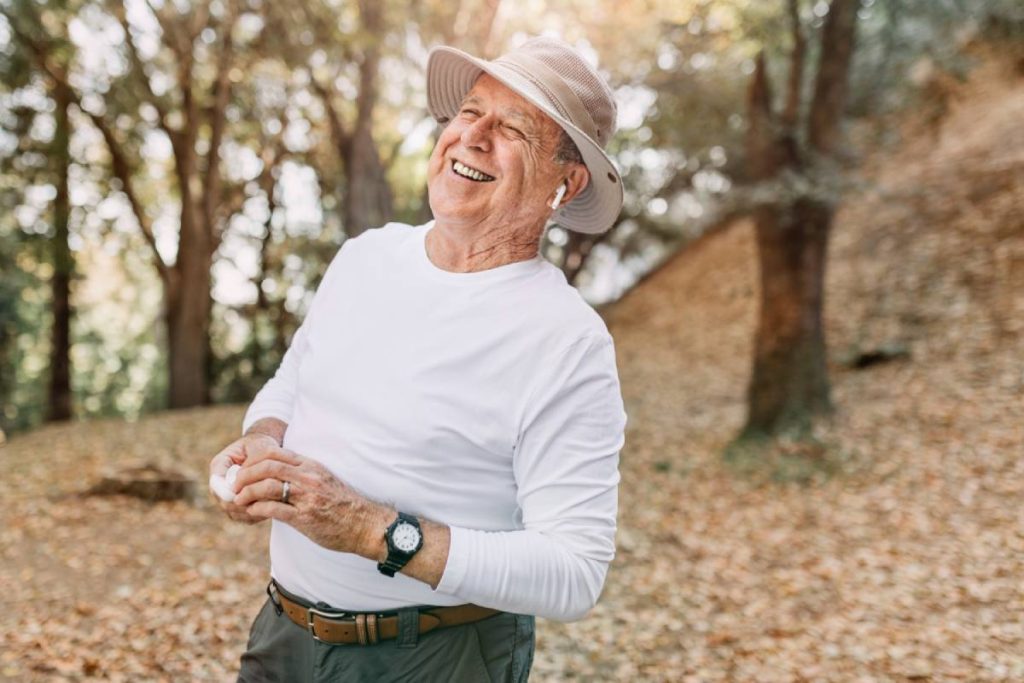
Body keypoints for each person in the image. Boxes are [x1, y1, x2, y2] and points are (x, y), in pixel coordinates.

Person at [210, 36, 627, 682]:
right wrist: (259, 444)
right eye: (470, 110)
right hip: (282, 636)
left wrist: (372, 528)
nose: (475, 135)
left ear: (565, 183)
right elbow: (290, 388)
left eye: (513, 127)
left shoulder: (568, 343)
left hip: (435, 656)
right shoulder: (365, 257)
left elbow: (574, 571)